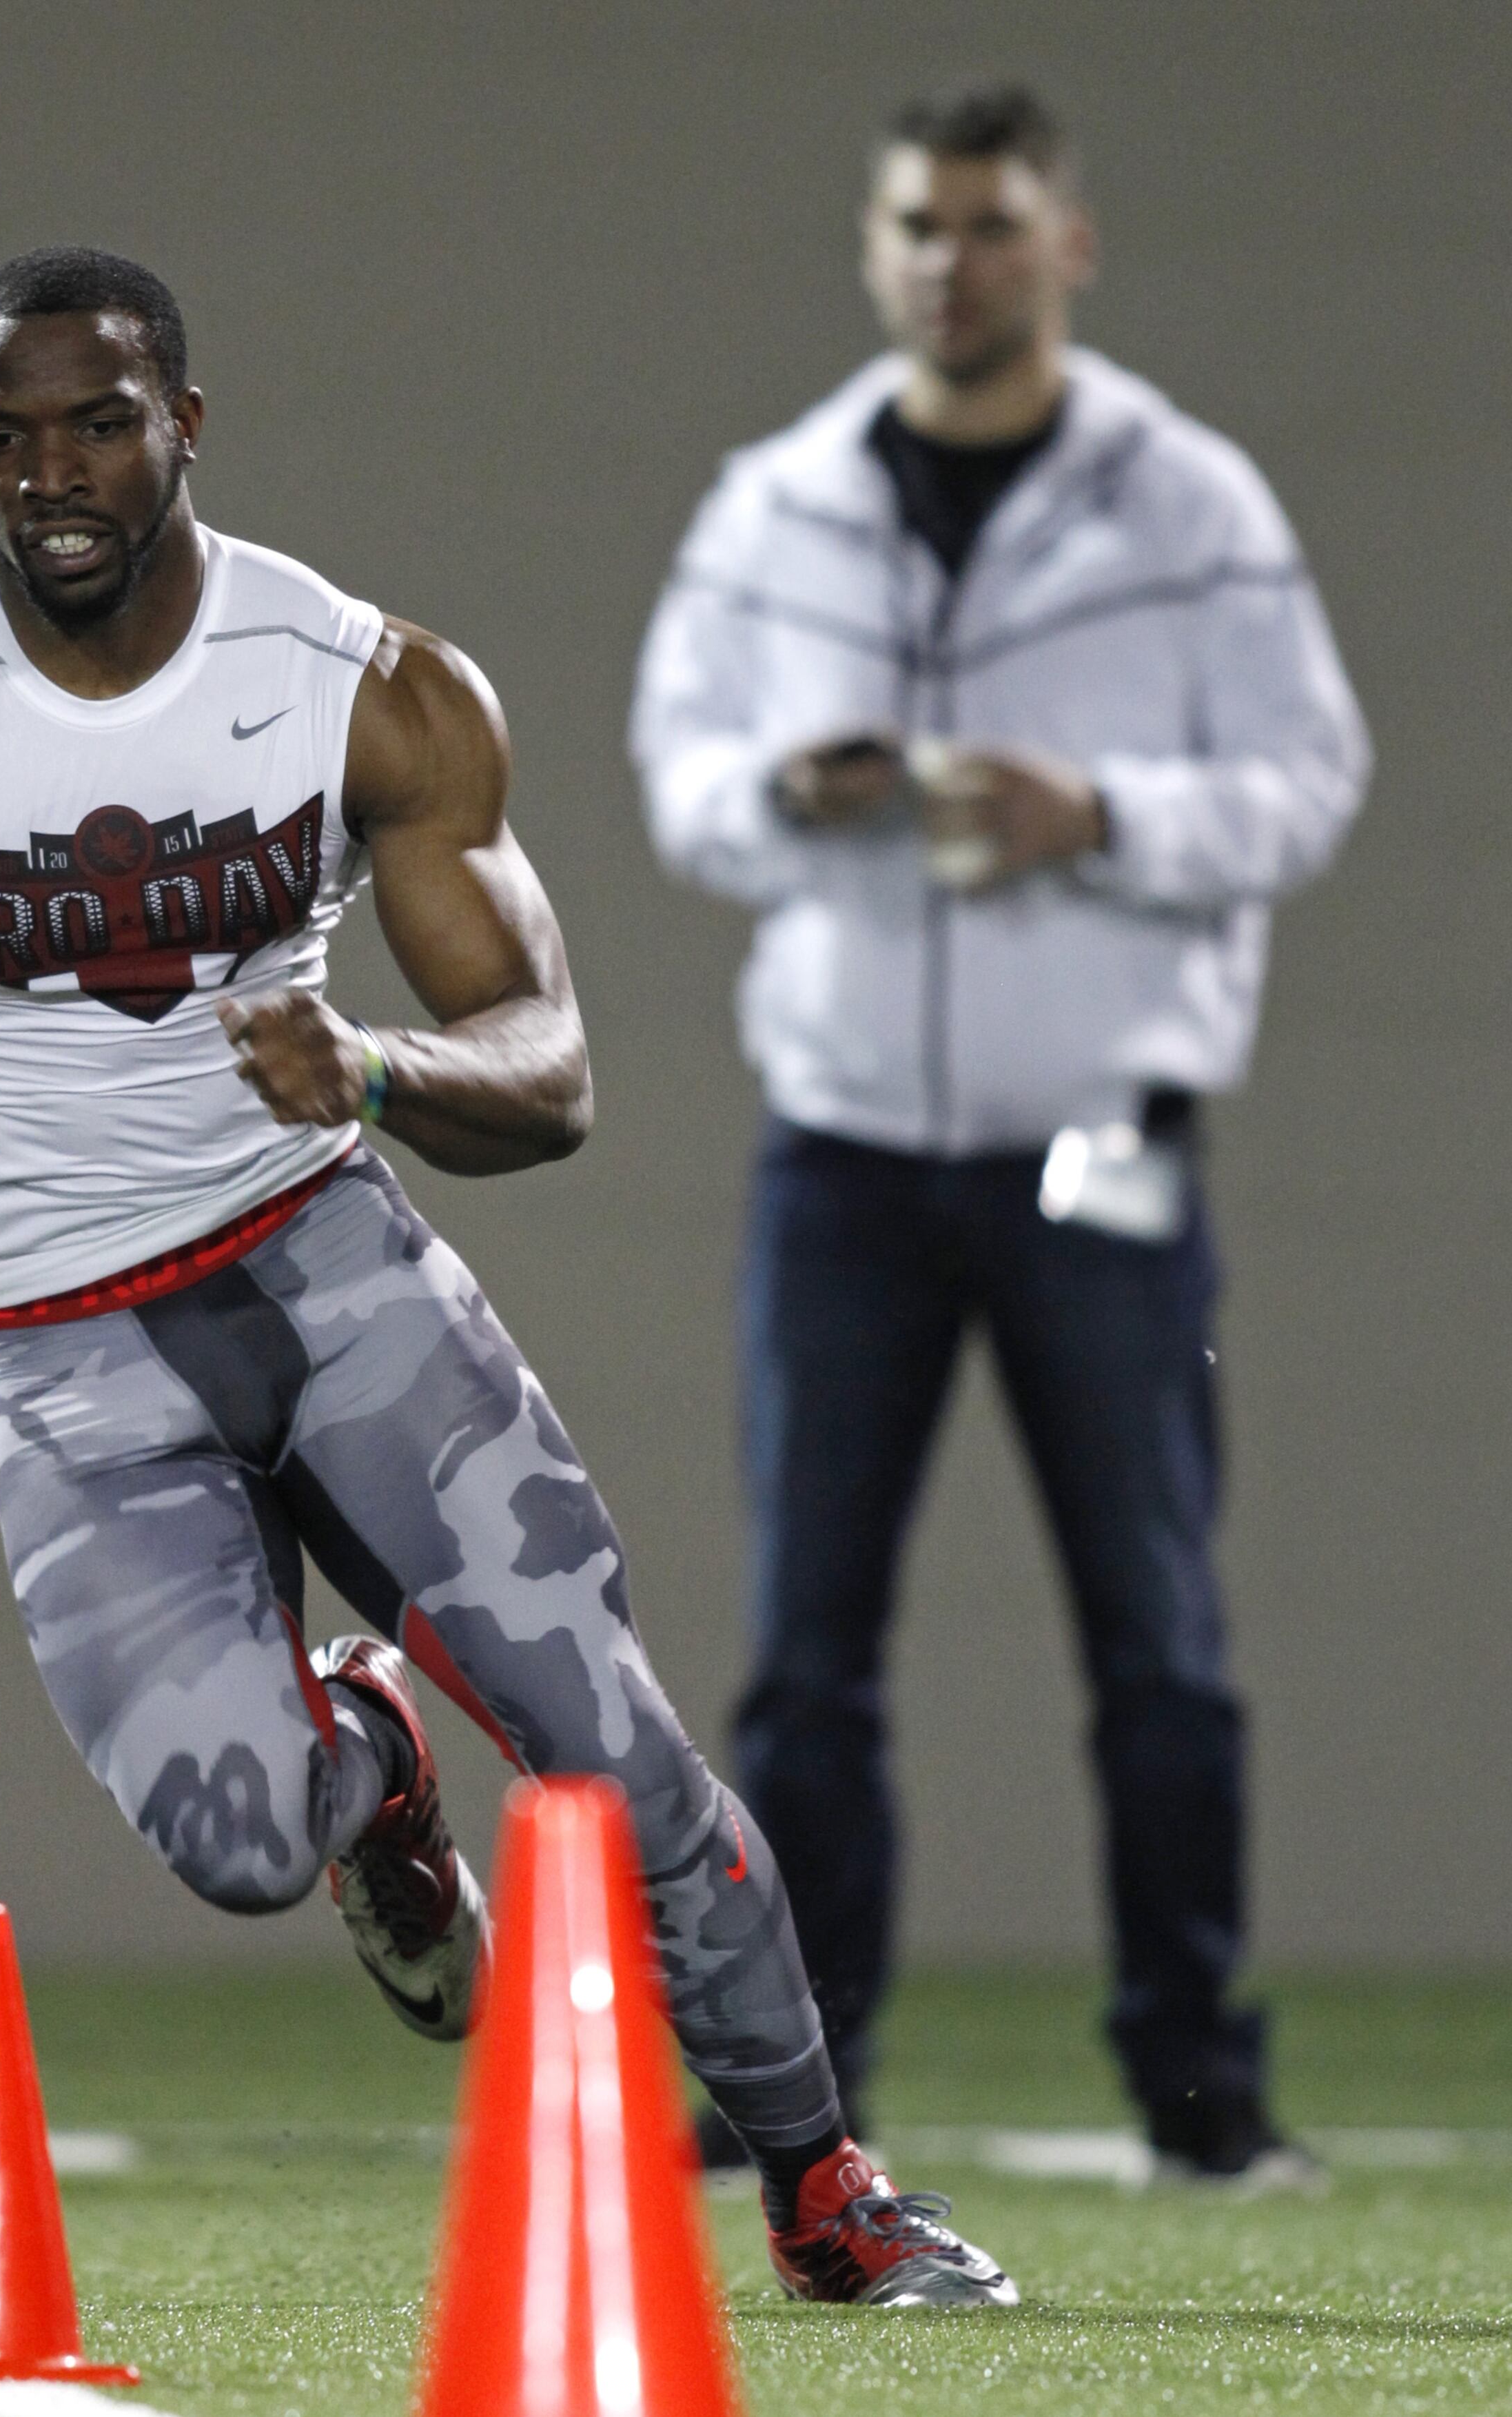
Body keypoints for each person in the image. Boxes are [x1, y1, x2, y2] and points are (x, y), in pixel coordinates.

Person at [0, 244, 1013, 2304]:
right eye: (6, 436)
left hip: (318, 1260)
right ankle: (371, 1761)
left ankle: (818, 2181)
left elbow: (549, 1061)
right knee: (240, 1833)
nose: (54, 474)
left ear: (187, 423)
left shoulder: (358, 683)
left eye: (101, 422)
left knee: (608, 1747)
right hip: (57, 1332)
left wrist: (371, 1060)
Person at [631, 86, 1367, 2183]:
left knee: (1157, 1638)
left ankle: (1203, 2098)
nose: (951, 262)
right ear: (877, 252)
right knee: (810, 1656)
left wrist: (1103, 817)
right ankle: (798, 2094)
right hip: (845, 1144)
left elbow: (1312, 781)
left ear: (1071, 246)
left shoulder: (1189, 502)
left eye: (990, 224)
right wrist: (790, 790)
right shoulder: (779, 500)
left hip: (1093, 1140)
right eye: (917, 227)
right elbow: (675, 767)